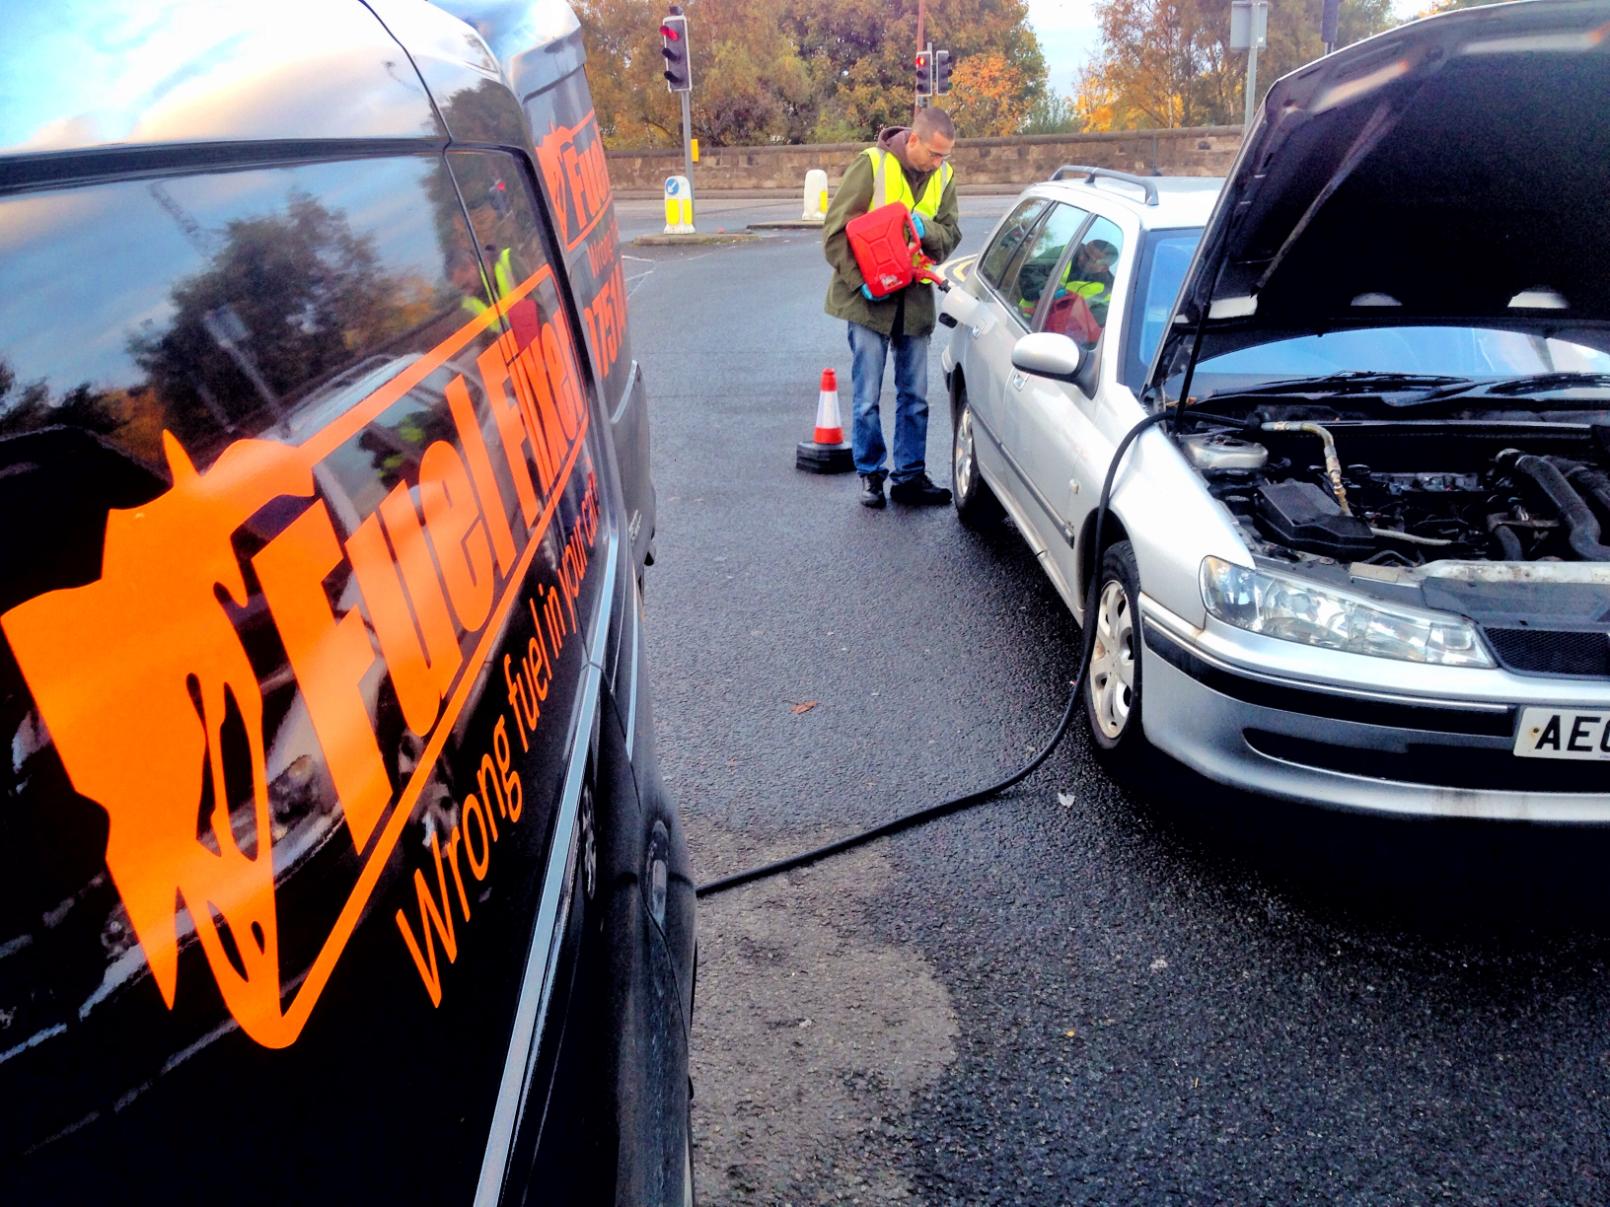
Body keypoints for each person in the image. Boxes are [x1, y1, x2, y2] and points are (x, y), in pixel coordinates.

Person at [822, 106, 961, 509]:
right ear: (913, 140)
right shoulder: (872, 165)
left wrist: (926, 228)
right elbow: (834, 233)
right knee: (867, 396)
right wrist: (861, 283)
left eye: (945, 156)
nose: (939, 163)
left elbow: (950, 235)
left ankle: (909, 477)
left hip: (914, 301)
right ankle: (871, 474)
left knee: (915, 396)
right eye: (935, 154)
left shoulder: (944, 177)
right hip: (869, 303)